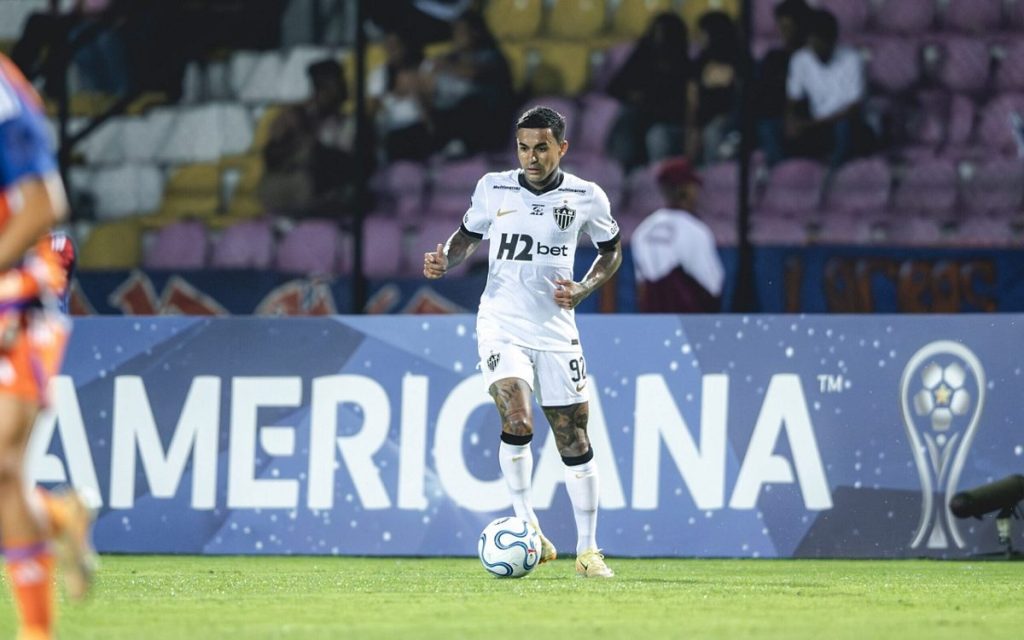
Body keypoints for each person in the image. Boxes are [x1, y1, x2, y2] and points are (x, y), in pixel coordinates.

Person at [423, 106, 622, 578]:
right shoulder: (493, 188)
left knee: (573, 437)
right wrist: (446, 260)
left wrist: (584, 287)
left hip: (555, 330)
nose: (531, 157)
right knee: (516, 417)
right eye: (523, 147)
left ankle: (588, 552)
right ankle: (528, 523)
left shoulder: (586, 196)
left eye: (542, 148)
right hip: (502, 322)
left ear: (562, 148)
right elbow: (466, 236)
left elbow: (611, 251)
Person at [0, 53, 96, 640]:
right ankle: (59, 514)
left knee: (2, 464)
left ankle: (36, 632)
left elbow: (42, 204)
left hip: (17, 294)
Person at [260, 57, 362, 217]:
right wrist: (286, 134)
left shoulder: (352, 124)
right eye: (319, 86)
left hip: (328, 192)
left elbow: (353, 165)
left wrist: (312, 144)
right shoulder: (296, 117)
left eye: (331, 86)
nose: (324, 93)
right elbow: (271, 156)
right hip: (288, 186)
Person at [631, 157, 725, 313]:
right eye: (692, 186)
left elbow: (642, 290)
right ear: (684, 189)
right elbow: (713, 287)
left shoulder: (643, 230)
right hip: (689, 322)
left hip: (653, 321)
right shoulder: (696, 230)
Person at [419, 9, 514, 157]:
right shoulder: (450, 58)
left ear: (476, 33)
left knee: (469, 105)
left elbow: (473, 73)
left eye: (461, 32)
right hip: (452, 118)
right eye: (455, 32)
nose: (456, 36)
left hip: (488, 119)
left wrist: (445, 65)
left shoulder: (492, 56)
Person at [785, 9, 872, 167]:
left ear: (832, 40)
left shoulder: (852, 59)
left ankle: (836, 171)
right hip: (816, 126)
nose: (816, 48)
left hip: (841, 124)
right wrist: (792, 120)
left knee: (845, 128)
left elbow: (853, 109)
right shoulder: (800, 59)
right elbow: (793, 98)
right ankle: (784, 171)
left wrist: (810, 124)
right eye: (813, 42)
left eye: (821, 43)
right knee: (771, 125)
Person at [607, 12, 690, 171]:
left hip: (667, 121)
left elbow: (678, 103)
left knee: (656, 134)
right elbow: (615, 87)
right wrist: (634, 95)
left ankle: (654, 173)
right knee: (626, 117)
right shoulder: (643, 54)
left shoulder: (682, 63)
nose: (658, 37)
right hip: (640, 116)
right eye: (656, 31)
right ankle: (622, 171)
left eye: (663, 33)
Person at [753, 0, 812, 166]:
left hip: (805, 116)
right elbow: (762, 93)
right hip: (774, 114)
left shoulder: (813, 57)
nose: (783, 32)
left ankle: (781, 171)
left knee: (769, 125)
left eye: (788, 27)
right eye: (780, 26)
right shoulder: (773, 57)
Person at [690, 11, 741, 164]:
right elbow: (692, 102)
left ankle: (714, 173)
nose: (698, 37)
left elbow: (739, 99)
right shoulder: (699, 63)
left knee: (713, 131)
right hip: (703, 122)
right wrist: (694, 129)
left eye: (703, 33)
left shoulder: (738, 60)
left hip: (730, 121)